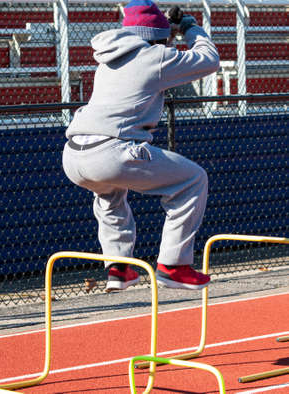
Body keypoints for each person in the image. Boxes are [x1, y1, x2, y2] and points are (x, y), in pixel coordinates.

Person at [62, 0, 220, 292]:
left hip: (75, 154)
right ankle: (174, 266)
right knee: (192, 180)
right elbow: (208, 59)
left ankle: (118, 268)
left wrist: (167, 31)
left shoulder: (109, 57)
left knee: (109, 196)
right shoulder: (154, 57)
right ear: (154, 38)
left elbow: (151, 43)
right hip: (112, 151)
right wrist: (189, 27)